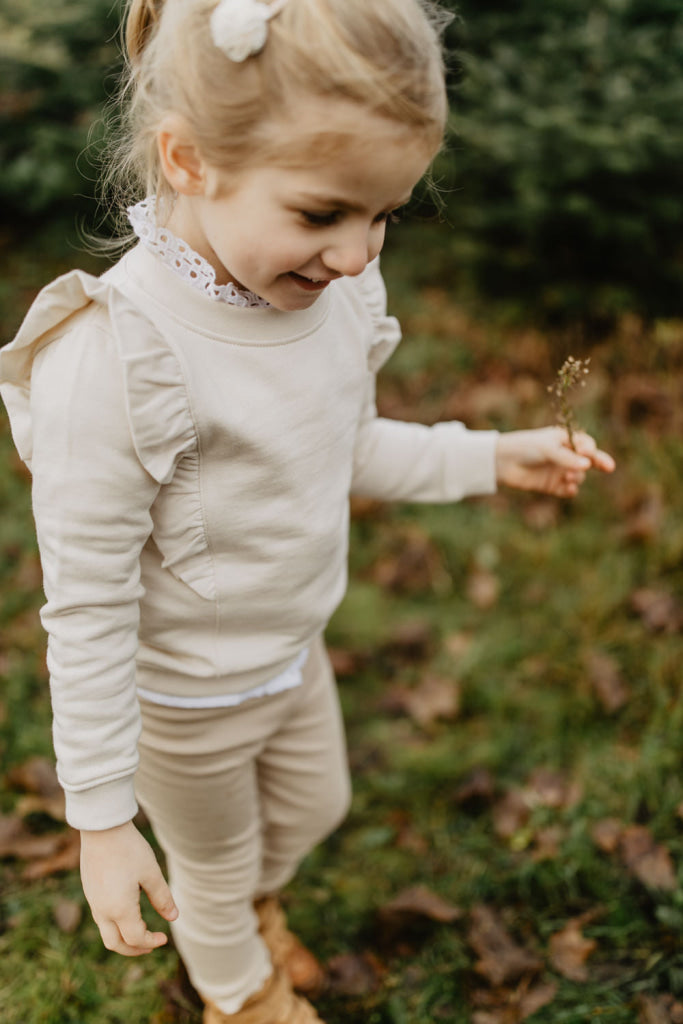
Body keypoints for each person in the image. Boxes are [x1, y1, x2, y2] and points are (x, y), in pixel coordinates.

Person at [0, 1, 616, 1021]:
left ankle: (234, 904)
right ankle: (239, 988)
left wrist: (488, 456)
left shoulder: (324, 300)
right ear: (189, 161)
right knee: (214, 861)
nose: (357, 254)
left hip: (291, 648)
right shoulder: (117, 359)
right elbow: (89, 605)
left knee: (315, 808)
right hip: (185, 697)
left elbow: (346, 446)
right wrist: (102, 816)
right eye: (323, 214)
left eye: (384, 215)